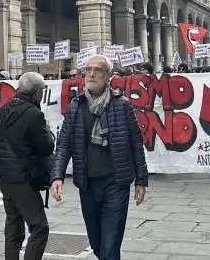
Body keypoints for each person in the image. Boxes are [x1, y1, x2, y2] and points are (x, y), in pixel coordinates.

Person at [51, 55, 148, 260]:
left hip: (116, 183)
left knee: (110, 243)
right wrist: (57, 176)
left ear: (108, 77)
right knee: (97, 243)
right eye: (88, 69)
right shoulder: (77, 106)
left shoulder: (122, 105)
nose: (92, 74)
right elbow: (64, 144)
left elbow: (135, 144)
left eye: (98, 70)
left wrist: (141, 180)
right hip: (87, 185)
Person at [0, 72, 55, 260]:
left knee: (13, 224)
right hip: (23, 176)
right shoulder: (34, 114)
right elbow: (45, 147)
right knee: (39, 227)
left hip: (4, 175)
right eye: (42, 91)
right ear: (36, 93)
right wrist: (49, 133)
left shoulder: (3, 109)